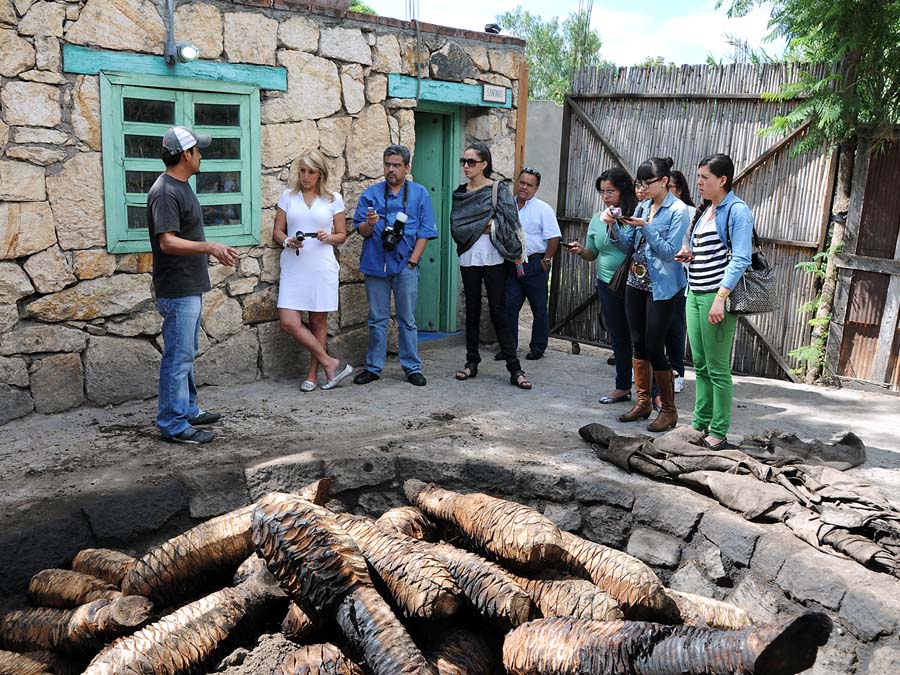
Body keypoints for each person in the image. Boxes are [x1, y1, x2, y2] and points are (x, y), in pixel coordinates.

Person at [148, 126, 240, 444]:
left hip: (188, 286)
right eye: (198, 151)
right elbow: (168, 242)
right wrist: (210, 247)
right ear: (186, 154)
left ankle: (187, 409)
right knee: (178, 356)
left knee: (186, 352)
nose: (201, 155)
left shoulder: (181, 186)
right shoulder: (165, 191)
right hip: (177, 287)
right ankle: (173, 423)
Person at [675, 153, 753, 449]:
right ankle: (699, 423)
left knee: (718, 368)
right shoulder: (706, 209)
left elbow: (741, 257)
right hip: (694, 293)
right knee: (700, 365)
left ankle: (718, 431)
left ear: (723, 180)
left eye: (705, 178)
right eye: (698, 177)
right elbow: (710, 251)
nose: (699, 183)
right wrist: (688, 256)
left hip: (715, 297)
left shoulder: (737, 210)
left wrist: (721, 297)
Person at [610, 157, 689, 432]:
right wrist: (614, 225)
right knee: (637, 342)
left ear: (664, 181)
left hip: (663, 287)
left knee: (656, 345)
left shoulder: (678, 210)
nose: (642, 188)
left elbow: (669, 252)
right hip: (635, 282)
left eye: (648, 183)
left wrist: (646, 226)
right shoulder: (644, 205)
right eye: (640, 183)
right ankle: (643, 403)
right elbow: (627, 246)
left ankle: (668, 409)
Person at [352, 145, 438, 386]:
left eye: (396, 165)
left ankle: (412, 367)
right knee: (377, 319)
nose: (391, 169)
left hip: (405, 266)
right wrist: (370, 224)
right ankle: (373, 367)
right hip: (375, 264)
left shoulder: (419, 194)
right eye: (387, 164)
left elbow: (425, 231)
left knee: (407, 319)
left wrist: (412, 262)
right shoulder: (371, 194)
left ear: (407, 167)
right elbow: (361, 231)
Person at [450, 143, 531, 390]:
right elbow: (457, 226)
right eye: (463, 161)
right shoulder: (460, 193)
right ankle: (471, 362)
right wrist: (485, 224)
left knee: (499, 310)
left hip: (495, 255)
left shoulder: (498, 190)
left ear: (484, 164)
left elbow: (510, 221)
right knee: (472, 308)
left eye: (471, 162)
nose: (466, 166)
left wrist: (488, 226)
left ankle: (514, 368)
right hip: (469, 255)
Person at [273, 149, 353, 392]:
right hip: (294, 264)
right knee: (288, 321)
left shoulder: (333, 199)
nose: (305, 176)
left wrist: (328, 237)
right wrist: (288, 241)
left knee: (318, 321)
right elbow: (277, 232)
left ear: (320, 174)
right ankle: (330, 361)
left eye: (311, 172)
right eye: (302, 171)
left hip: (321, 265)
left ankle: (313, 373)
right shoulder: (288, 196)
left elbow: (342, 235)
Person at [565, 168, 637, 405]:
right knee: (619, 337)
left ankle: (653, 392)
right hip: (607, 284)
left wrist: (615, 224)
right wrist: (580, 250)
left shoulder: (637, 215)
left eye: (611, 191)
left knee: (642, 337)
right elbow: (592, 253)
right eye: (602, 191)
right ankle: (622, 386)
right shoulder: (598, 218)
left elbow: (630, 248)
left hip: (636, 284)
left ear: (623, 191)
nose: (606, 196)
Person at [497, 168, 560, 361]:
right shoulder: (507, 206)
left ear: (536, 188)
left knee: (538, 308)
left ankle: (538, 347)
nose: (524, 187)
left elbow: (554, 237)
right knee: (509, 307)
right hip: (511, 264)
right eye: (521, 182)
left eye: (529, 185)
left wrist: (545, 261)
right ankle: (509, 348)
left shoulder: (543, 209)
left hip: (534, 264)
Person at [661, 168, 697, 400]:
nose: (667, 192)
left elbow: (696, 246)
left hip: (680, 278)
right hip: (656, 277)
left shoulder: (692, 212)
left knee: (674, 328)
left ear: (680, 189)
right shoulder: (655, 210)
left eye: (671, 188)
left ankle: (677, 373)